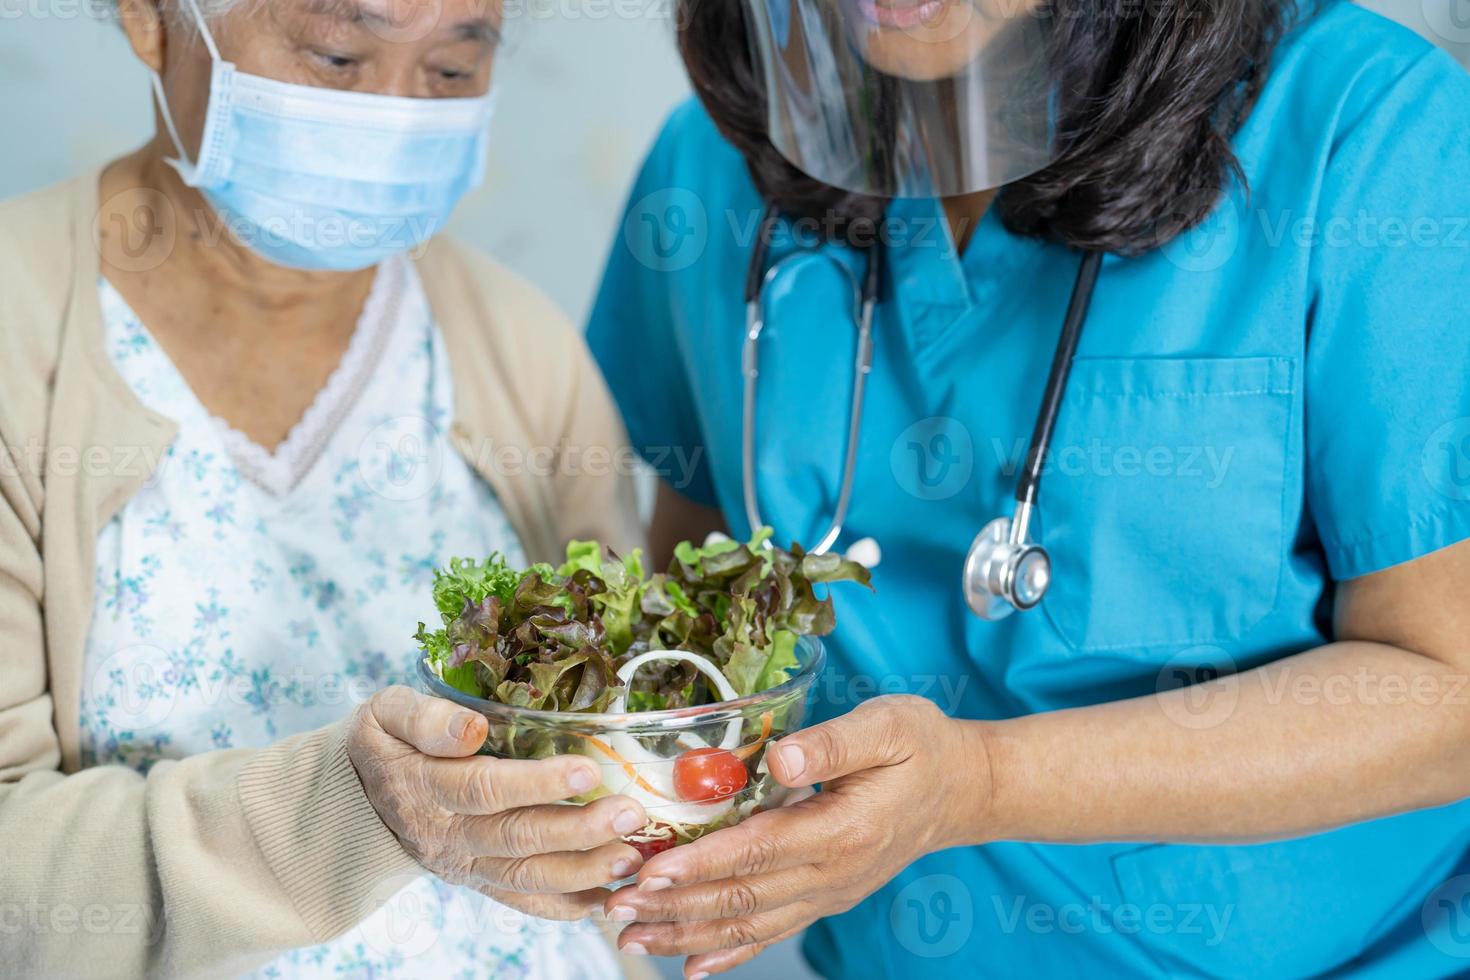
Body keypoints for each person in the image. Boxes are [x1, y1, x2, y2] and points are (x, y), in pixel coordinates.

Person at [586, 0, 1470, 977]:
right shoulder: (714, 167)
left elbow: (1448, 690)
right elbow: (687, 614)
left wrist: (978, 782)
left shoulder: (1367, 126)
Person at [0, 0, 657, 975]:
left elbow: (631, 745)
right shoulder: (25, 339)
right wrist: (351, 810)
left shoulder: (520, 350)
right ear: (150, 19)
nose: (394, 116)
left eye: (448, 72)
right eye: (340, 55)